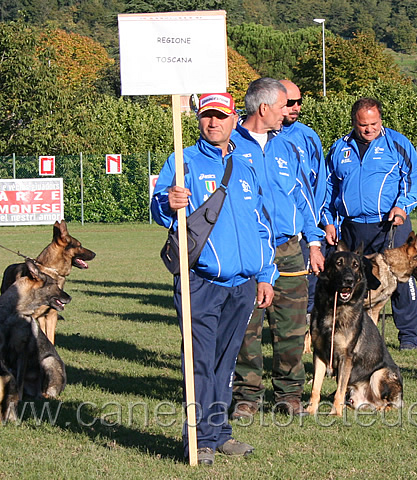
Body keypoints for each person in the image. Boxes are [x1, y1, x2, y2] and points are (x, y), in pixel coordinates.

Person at [151, 93, 278, 466]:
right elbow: (158, 208)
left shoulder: (245, 165)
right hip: (200, 282)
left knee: (226, 361)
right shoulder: (182, 160)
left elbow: (262, 224)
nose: (213, 123)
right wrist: (168, 202)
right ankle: (199, 439)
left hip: (242, 284)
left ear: (233, 118)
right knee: (200, 361)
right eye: (206, 116)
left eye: (220, 116)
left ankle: (220, 432)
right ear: (198, 119)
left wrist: (265, 275)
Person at [230, 78, 325, 418]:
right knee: (247, 329)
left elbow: (303, 197)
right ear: (265, 108)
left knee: (291, 327)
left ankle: (290, 394)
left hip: (289, 250)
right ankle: (246, 397)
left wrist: (313, 242)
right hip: (248, 252)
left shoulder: (286, 147)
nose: (290, 112)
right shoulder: (229, 145)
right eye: (285, 105)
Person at [322, 97, 417, 350]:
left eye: (374, 123)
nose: (369, 129)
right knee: (353, 280)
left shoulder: (398, 144)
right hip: (352, 227)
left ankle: (408, 336)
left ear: (381, 120)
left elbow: (413, 181)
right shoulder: (338, 149)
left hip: (390, 224)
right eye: (363, 125)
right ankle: (353, 334)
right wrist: (329, 222)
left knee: (401, 279)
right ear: (354, 122)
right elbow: (328, 189)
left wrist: (402, 206)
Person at [278, 80, 328, 324]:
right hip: (269, 232)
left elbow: (319, 184)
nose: (295, 107)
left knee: (306, 289)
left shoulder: (308, 137)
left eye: (299, 102)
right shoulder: (252, 136)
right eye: (289, 103)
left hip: (304, 231)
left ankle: (306, 335)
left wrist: (316, 226)